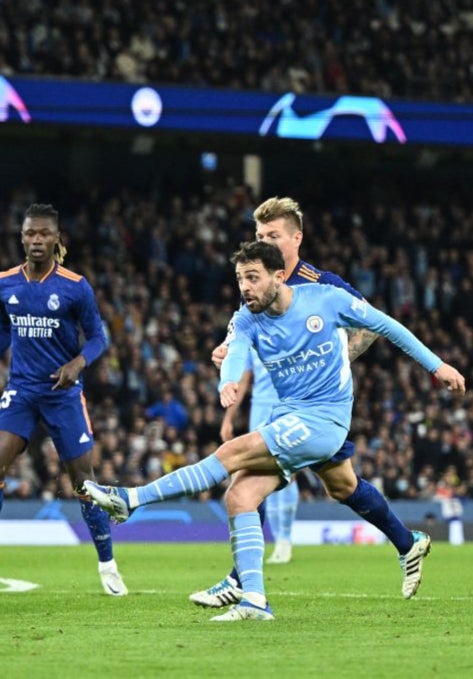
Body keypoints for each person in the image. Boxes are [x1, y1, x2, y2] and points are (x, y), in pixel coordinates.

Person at [86, 240, 465, 621]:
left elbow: (387, 325)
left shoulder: (325, 298)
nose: (245, 287)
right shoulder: (247, 317)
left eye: (253, 278)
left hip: (325, 420)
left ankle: (130, 499)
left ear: (279, 276)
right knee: (242, 496)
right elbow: (235, 351)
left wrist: (437, 367)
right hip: (289, 417)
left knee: (231, 454)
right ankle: (255, 600)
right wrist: (228, 382)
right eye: (239, 279)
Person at [190, 195, 402, 607]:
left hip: (315, 405)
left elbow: (373, 324)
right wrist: (227, 350)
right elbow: (243, 334)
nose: (264, 240)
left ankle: (242, 581)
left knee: (338, 486)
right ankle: (407, 544)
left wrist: (341, 358)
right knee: (294, 484)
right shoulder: (260, 279)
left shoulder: (322, 284)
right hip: (277, 402)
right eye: (259, 234)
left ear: (296, 238)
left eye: (273, 235)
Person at [0, 203, 127, 596]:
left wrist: (78, 364)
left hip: (63, 394)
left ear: (56, 238)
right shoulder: (5, 283)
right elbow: (2, 326)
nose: (36, 240)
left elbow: (99, 338)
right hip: (22, 390)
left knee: (83, 483)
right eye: (30, 233)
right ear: (22, 237)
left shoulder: (75, 286)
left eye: (44, 233)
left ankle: (108, 565)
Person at [220, 350, 300, 565]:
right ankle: (279, 540)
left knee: (289, 472)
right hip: (260, 409)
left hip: (288, 406)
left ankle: (285, 539)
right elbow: (243, 380)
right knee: (261, 474)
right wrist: (229, 419)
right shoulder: (252, 339)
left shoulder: (289, 331)